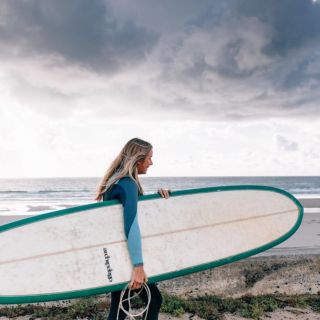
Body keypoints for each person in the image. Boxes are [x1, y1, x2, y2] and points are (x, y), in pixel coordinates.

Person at [95, 137, 170, 320]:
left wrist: (157, 200)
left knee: (121, 306)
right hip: (127, 257)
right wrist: (138, 266)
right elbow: (131, 224)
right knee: (152, 300)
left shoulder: (115, 181)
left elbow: (129, 215)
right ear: (138, 159)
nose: (151, 162)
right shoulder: (127, 183)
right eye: (149, 158)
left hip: (116, 253)